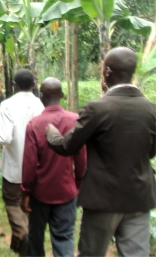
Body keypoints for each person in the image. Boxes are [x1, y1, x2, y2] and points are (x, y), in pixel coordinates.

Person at [45, 47, 156, 256]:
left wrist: (51, 133)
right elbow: (150, 152)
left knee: (91, 253)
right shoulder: (152, 110)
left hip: (103, 198)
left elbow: (67, 146)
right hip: (139, 197)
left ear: (107, 72)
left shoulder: (98, 108)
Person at [0, 69, 44, 254]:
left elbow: (5, 137)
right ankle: (20, 248)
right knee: (29, 206)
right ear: (34, 85)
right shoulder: (40, 105)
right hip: (37, 168)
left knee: (13, 203)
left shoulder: (7, 105)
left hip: (15, 166)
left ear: (14, 85)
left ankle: (22, 235)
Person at [20, 78, 87, 256]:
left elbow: (29, 163)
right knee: (64, 237)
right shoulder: (75, 120)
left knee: (36, 237)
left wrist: (26, 191)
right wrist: (79, 183)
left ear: (41, 96)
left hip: (39, 193)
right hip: (66, 191)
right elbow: (82, 158)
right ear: (62, 95)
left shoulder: (34, 124)